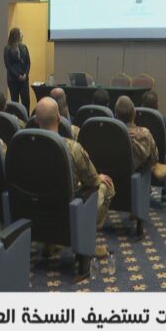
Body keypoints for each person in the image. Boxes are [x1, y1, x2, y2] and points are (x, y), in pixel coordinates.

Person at [35, 97, 114, 257]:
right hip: (68, 210)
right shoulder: (72, 148)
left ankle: (50, 242)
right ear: (59, 118)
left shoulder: (25, 145)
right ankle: (86, 243)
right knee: (106, 185)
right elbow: (93, 181)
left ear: (36, 120)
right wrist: (99, 177)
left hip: (37, 208)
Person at [114, 96, 166, 181]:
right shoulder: (144, 134)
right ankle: (156, 168)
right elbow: (154, 157)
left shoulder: (111, 134)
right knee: (150, 160)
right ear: (135, 114)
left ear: (115, 116)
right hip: (138, 175)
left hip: (115, 177)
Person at [3, 28, 31, 112]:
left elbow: (28, 63)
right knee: (15, 102)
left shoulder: (24, 47)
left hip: (24, 80)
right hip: (13, 80)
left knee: (26, 101)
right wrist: (18, 76)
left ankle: (26, 118)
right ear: (16, 36)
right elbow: (8, 65)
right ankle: (16, 117)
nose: (22, 36)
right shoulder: (7, 49)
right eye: (21, 34)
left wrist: (25, 74)